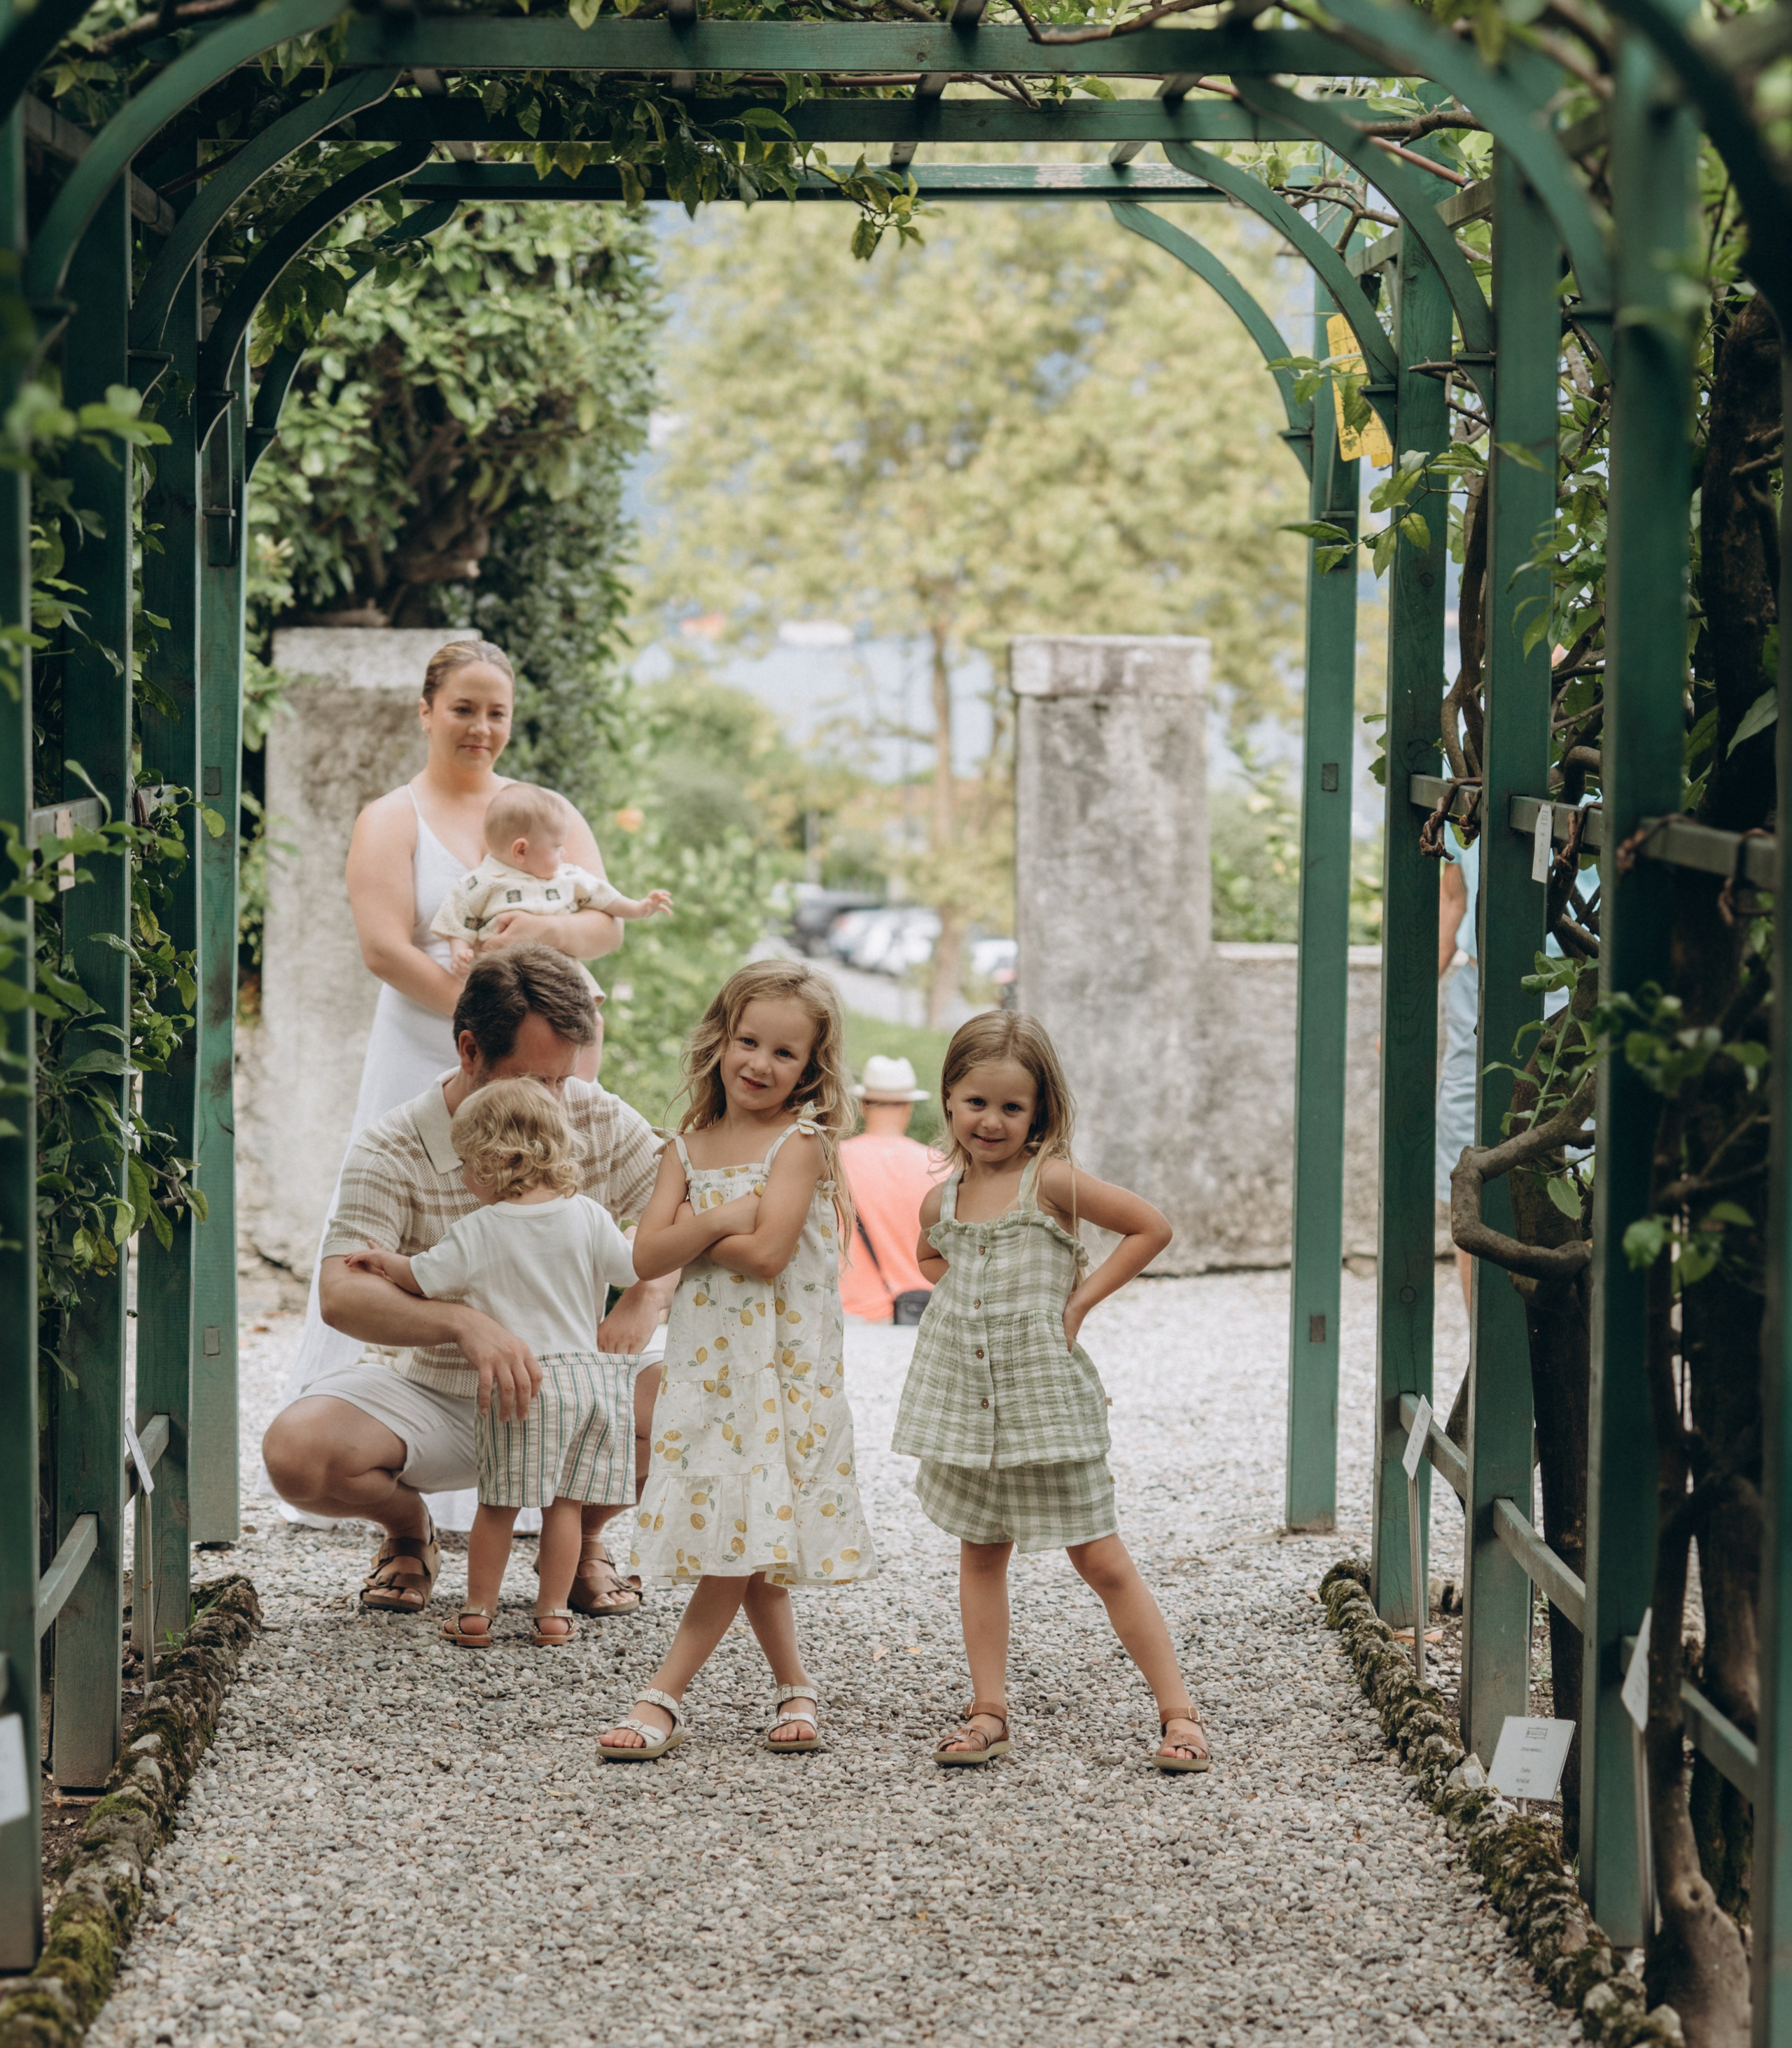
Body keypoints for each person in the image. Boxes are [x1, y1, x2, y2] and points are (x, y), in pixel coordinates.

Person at [281, 636, 636, 1545]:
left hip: (538, 1036)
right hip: (432, 1040)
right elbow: (385, 944)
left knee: (543, 1225)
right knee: (419, 1230)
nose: (482, 726)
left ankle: (554, 1465)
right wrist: (479, 1018)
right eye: (465, 707)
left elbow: (605, 924)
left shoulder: (547, 811)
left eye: (498, 710)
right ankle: (403, 1463)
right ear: (427, 709)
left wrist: (545, 950)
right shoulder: (390, 816)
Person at [261, 947, 675, 1620]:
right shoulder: (393, 1144)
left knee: (701, 1406)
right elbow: (341, 1293)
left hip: (578, 1390)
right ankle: (407, 1530)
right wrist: (459, 1323)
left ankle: (583, 1544)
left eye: (562, 1080)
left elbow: (686, 1214)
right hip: (442, 1396)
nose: (553, 1103)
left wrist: (647, 1295)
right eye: (532, 1080)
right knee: (298, 1454)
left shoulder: (592, 1115)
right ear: (468, 1049)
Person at [892, 1011, 1210, 1773]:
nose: (991, 1121)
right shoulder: (943, 1199)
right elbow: (930, 1260)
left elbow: (1149, 1227)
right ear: (948, 1099)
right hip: (967, 1406)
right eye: (975, 1103)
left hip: (1042, 1405)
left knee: (1099, 1558)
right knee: (980, 1552)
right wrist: (973, 1303)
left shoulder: (1051, 1180)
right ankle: (988, 1709)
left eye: (1011, 1107)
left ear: (1039, 1112)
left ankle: (1179, 1710)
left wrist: (1075, 1301)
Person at [598, 961, 878, 1762]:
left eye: (783, 1053)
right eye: (747, 1041)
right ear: (719, 1040)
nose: (759, 1063)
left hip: (779, 1369)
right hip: (709, 1368)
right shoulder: (685, 1145)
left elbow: (766, 1255)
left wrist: (698, 1230)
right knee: (745, 1525)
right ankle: (796, 1685)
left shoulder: (802, 1144)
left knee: (741, 1527)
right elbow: (643, 1251)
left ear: (810, 1068)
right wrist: (724, 1213)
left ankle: (663, 1695)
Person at [343, 1079, 643, 1648]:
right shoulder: (588, 1215)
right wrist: (636, 1232)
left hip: (520, 1380)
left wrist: (384, 1260)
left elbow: (422, 1277)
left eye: (467, 1163)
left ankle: (478, 1611)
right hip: (587, 1381)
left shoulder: (478, 1231)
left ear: (502, 1159)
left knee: (499, 1505)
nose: (462, 1177)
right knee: (565, 1507)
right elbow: (630, 1268)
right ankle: (553, 1613)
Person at [431, 783, 673, 976]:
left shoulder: (567, 878)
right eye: (557, 847)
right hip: (501, 974)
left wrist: (640, 908)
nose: (563, 853)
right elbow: (460, 917)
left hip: (558, 972)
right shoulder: (482, 882)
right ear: (521, 851)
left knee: (583, 1009)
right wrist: (460, 952)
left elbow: (605, 898)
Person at [838, 1053, 942, 1324]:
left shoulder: (833, 1161)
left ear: (863, 1105)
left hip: (854, 1316)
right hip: (924, 1314)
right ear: (908, 1107)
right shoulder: (941, 1165)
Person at [1436, 840, 1478, 1314]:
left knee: (1578, 1170)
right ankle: (1482, 1356)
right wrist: (1408, 1007)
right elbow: (1453, 899)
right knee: (1467, 1174)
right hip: (1475, 985)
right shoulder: (1465, 779)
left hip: (1575, 985)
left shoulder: (1597, 782)